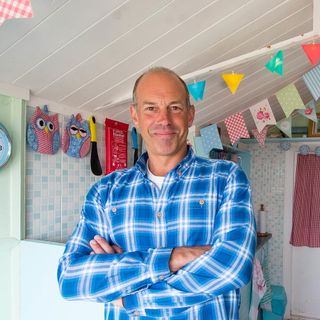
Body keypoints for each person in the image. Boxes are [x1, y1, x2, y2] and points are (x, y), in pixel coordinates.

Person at [57, 67, 256, 320]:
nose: (164, 120)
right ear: (135, 116)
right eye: (151, 108)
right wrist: (176, 257)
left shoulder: (226, 177)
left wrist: (130, 295)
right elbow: (70, 278)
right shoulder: (105, 191)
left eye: (175, 107)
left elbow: (232, 268)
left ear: (190, 115)